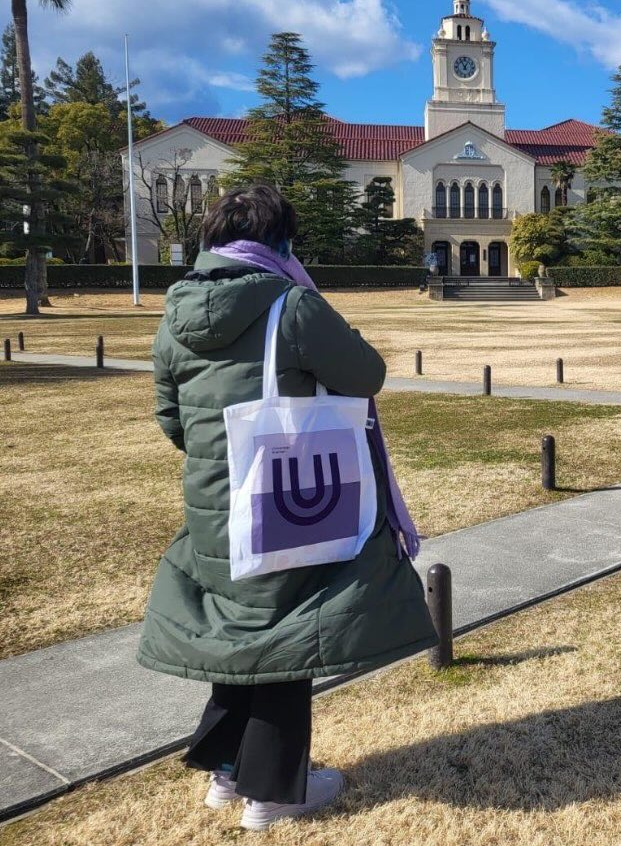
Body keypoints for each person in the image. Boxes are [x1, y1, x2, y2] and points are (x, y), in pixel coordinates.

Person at [138, 184, 436, 832]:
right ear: (278, 242)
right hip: (284, 490)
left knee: (241, 628)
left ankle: (227, 770)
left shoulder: (175, 310)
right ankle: (274, 792)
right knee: (284, 633)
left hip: (214, 497)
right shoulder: (292, 303)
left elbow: (171, 417)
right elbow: (365, 373)